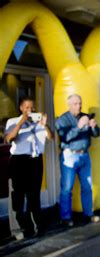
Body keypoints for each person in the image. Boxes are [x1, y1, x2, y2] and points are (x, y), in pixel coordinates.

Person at [5, 97, 53, 237]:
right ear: (21, 108)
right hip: (19, 161)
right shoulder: (12, 121)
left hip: (35, 161)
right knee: (19, 196)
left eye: (32, 108)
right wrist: (21, 123)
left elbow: (51, 137)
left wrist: (44, 125)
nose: (30, 110)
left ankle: (39, 225)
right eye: (27, 107)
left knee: (34, 195)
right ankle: (26, 227)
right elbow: (9, 139)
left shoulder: (38, 123)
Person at [55, 94, 100, 226]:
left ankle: (88, 214)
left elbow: (97, 134)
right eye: (75, 103)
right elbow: (65, 137)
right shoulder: (62, 120)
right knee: (67, 188)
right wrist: (79, 127)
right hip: (69, 156)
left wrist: (93, 127)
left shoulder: (85, 116)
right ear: (69, 105)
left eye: (80, 103)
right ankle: (66, 218)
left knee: (87, 187)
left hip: (84, 156)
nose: (79, 106)